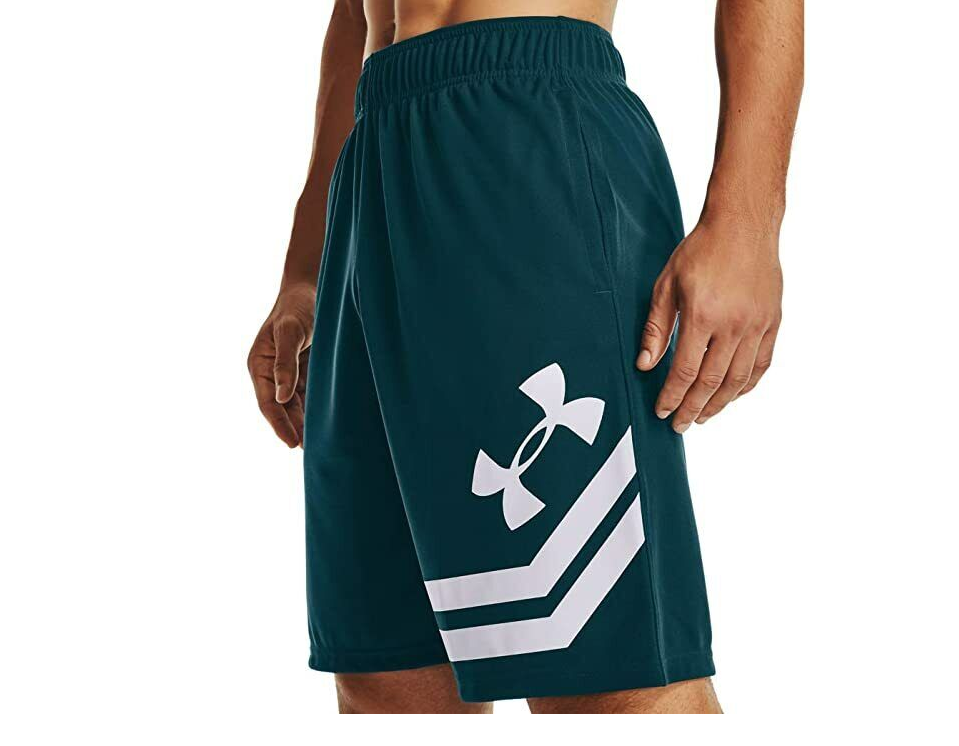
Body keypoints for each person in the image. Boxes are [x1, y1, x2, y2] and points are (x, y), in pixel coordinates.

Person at [248, 0, 802, 714]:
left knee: (603, 676)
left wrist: (747, 226)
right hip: (371, 166)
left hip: (527, 130)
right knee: (387, 679)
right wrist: (306, 267)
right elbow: (352, 16)